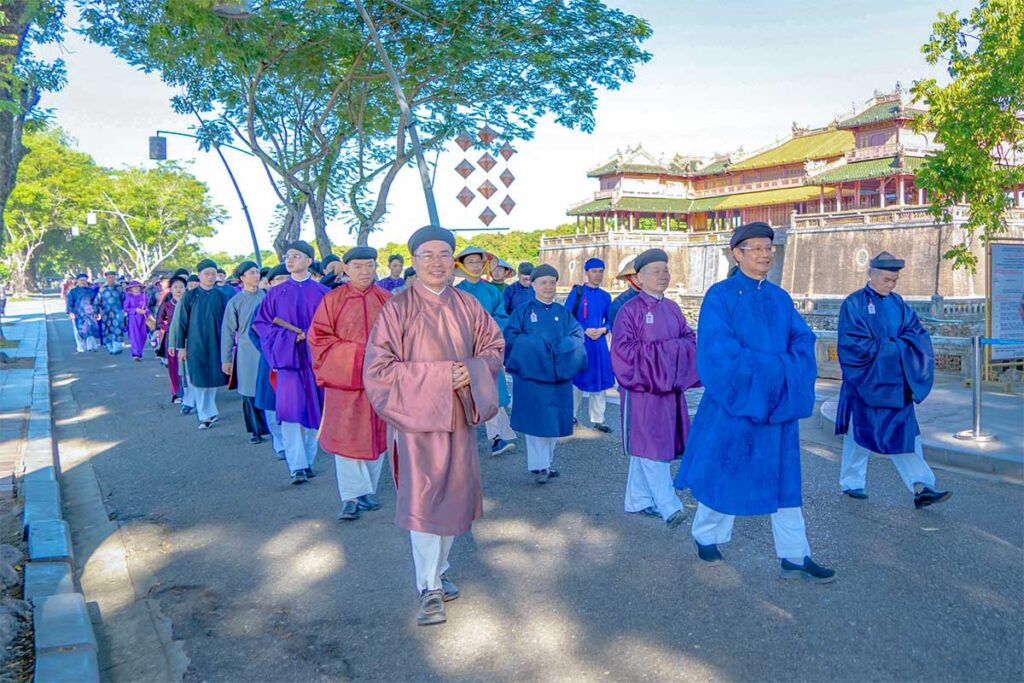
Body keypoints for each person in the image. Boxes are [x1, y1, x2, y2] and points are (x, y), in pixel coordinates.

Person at [675, 222, 835, 583]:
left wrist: (782, 370)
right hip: (736, 403)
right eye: (757, 248)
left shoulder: (780, 298)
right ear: (738, 253)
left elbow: (802, 340)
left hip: (775, 407)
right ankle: (707, 534)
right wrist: (775, 369)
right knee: (725, 470)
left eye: (770, 248)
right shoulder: (720, 296)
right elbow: (719, 353)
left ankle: (795, 555)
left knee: (785, 480)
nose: (765, 255)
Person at [364, 225, 503, 627]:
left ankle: (440, 572)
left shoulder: (469, 305)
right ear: (414, 261)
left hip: (458, 416)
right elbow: (378, 368)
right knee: (424, 500)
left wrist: (473, 371)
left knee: (455, 498)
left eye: (445, 254)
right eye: (428, 255)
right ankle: (428, 586)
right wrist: (443, 377)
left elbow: (493, 348)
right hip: (418, 420)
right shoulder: (397, 308)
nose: (437, 262)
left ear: (454, 260)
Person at [836, 252, 950, 509]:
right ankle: (852, 482)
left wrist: (898, 348)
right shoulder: (853, 304)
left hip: (896, 382)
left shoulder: (898, 303)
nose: (891, 285)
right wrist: (896, 348)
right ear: (871, 274)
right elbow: (852, 344)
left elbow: (916, 333)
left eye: (894, 280)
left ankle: (922, 486)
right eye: (887, 279)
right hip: (865, 381)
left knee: (905, 434)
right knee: (858, 432)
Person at [611, 249, 698, 528]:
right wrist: (668, 353)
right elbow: (624, 351)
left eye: (665, 270)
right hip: (643, 390)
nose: (663, 276)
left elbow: (689, 338)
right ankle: (668, 505)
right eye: (655, 271)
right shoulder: (629, 311)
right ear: (639, 278)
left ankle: (638, 499)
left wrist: (671, 352)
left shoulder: (672, 308)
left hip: (668, 390)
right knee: (652, 445)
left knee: (648, 443)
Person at [308, 246, 392, 521]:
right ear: (346, 269)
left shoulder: (386, 299)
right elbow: (318, 338)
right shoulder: (333, 300)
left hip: (379, 381)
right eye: (357, 266)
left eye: (369, 265)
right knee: (346, 437)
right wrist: (358, 354)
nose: (364, 271)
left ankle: (367, 490)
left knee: (377, 435)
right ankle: (350, 496)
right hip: (344, 380)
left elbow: (401, 337)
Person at [252, 240, 329, 484]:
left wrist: (315, 339)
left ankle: (308, 459)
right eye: (288, 256)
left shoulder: (323, 294)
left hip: (315, 362)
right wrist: (288, 337)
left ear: (308, 260)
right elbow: (261, 326)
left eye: (296, 256)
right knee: (290, 412)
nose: (290, 260)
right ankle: (297, 465)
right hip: (288, 363)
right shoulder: (275, 293)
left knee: (314, 411)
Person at [504, 264, 587, 484]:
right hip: (532, 376)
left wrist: (558, 349)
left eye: (552, 282)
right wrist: (540, 348)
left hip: (558, 376)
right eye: (543, 282)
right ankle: (539, 466)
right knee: (536, 421)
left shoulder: (563, 313)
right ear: (533, 285)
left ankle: (547, 463)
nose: (548, 287)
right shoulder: (522, 311)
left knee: (554, 421)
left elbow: (577, 338)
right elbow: (511, 339)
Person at [455, 246, 517, 456]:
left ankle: (497, 437)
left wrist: (489, 334)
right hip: (462, 348)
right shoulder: (455, 292)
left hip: (488, 347)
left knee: (493, 390)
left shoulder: (492, 291)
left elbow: (501, 317)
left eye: (479, 262)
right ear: (462, 265)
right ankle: (461, 441)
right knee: (463, 393)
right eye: (471, 262)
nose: (476, 266)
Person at [173, 259, 233, 430]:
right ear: (199, 275)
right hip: (195, 344)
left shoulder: (222, 296)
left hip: (217, 342)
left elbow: (228, 322)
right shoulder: (189, 296)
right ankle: (205, 414)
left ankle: (208, 411)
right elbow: (182, 324)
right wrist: (181, 348)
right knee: (197, 379)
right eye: (207, 274)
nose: (210, 277)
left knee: (213, 377)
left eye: (213, 274)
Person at [221, 261, 270, 445]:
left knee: (268, 387)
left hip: (266, 349)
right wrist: (225, 359)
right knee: (249, 391)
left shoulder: (266, 296)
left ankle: (271, 426)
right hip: (246, 352)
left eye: (257, 272)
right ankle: (255, 430)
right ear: (242, 278)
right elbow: (227, 332)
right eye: (251, 272)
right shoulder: (235, 302)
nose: (256, 275)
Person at [564, 258, 615, 432]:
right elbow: (567, 317)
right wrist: (584, 329)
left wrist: (603, 329)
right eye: (594, 271)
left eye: (601, 271)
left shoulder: (605, 296)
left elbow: (610, 320)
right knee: (576, 380)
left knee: (599, 381)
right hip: (580, 342)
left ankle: (598, 419)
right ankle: (570, 415)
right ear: (587, 272)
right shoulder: (577, 293)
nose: (598, 275)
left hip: (599, 344)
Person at [249, 264, 290, 460]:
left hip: (296, 363)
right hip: (270, 362)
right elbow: (254, 333)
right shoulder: (263, 306)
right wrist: (270, 352)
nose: (282, 282)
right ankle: (280, 443)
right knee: (272, 404)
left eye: (286, 278)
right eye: (278, 279)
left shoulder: (298, 303)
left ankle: (298, 447)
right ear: (270, 283)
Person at [155, 275, 186, 402]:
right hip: (171, 340)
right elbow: (159, 322)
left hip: (188, 340)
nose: (179, 290)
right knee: (174, 367)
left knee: (188, 367)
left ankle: (191, 394)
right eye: (175, 287)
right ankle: (177, 393)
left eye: (181, 287)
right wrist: (170, 328)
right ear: (171, 289)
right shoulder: (167, 305)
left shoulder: (188, 304)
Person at [94, 271, 126, 354]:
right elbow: (97, 301)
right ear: (106, 278)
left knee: (118, 328)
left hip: (118, 312)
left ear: (115, 278)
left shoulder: (119, 288)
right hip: (105, 313)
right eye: (109, 277)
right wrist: (96, 312)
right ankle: (110, 347)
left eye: (112, 277)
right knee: (107, 330)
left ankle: (117, 348)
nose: (111, 279)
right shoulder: (102, 289)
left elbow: (125, 299)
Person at [66, 274, 99, 353]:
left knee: (90, 329)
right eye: (81, 280)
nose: (83, 282)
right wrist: (70, 312)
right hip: (77, 314)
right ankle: (81, 347)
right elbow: (70, 302)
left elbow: (95, 302)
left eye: (84, 280)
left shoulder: (91, 291)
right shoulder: (73, 291)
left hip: (89, 314)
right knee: (78, 330)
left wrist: (96, 312)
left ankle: (91, 346)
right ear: (77, 281)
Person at [609, 258, 640, 327]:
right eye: (636, 276)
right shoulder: (619, 302)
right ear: (628, 277)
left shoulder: (656, 298)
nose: (640, 278)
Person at [122, 280, 149, 361]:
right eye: (134, 287)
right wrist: (135, 310)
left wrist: (146, 311)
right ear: (131, 289)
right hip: (133, 318)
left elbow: (148, 306)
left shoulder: (144, 296)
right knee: (134, 335)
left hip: (143, 317)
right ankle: (136, 354)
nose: (136, 288)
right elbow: (125, 308)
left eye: (137, 287)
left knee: (143, 335)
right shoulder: (129, 297)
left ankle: (139, 351)